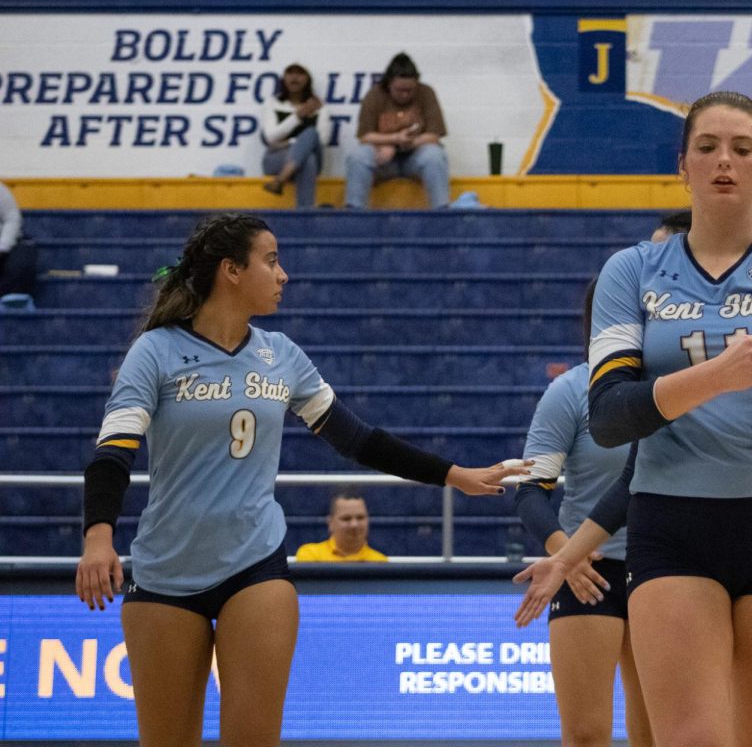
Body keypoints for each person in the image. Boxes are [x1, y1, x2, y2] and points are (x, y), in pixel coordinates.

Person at [74, 213, 527, 746]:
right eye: (270, 261)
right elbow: (113, 453)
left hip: (254, 564)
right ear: (231, 271)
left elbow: (357, 438)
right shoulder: (156, 351)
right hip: (164, 572)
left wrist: (454, 475)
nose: (283, 274)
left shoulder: (281, 355)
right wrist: (98, 536)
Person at [515, 90, 752, 747]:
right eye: (707, 147)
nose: (724, 160)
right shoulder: (631, 271)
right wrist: (716, 377)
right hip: (672, 524)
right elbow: (611, 419)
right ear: (683, 165)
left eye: (741, 148)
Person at [514, 279, 652, 747]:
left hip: (664, 567)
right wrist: (566, 556)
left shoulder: (674, 386)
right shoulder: (570, 391)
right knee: (587, 734)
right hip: (588, 572)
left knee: (657, 732)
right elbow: (531, 492)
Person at [344, 52, 450, 210]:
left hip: (415, 158)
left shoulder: (426, 93)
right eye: (400, 90)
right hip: (383, 160)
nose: (405, 95)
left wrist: (405, 143)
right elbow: (365, 137)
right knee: (358, 156)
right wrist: (394, 139)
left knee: (435, 155)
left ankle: (441, 212)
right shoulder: (375, 95)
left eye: (410, 90)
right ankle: (355, 212)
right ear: (388, 84)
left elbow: (434, 135)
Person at [260, 63, 331, 208]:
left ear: (308, 79)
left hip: (306, 157)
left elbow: (322, 140)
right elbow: (270, 137)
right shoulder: (273, 103)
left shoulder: (318, 107)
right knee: (308, 158)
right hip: (276, 159)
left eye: (300, 73)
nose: (294, 77)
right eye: (290, 73)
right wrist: (298, 116)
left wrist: (288, 142)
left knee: (311, 135)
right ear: (284, 78)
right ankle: (305, 213)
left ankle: (280, 181)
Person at [295, 487, 387, 562]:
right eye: (346, 518)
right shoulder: (310, 555)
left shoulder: (380, 561)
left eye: (360, 517)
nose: (354, 525)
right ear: (330, 523)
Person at [0, 181, 36, 299]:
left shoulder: (1, 191)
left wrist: (3, 247)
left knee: (21, 264)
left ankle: (10, 306)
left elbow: (12, 219)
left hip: (8, 246)